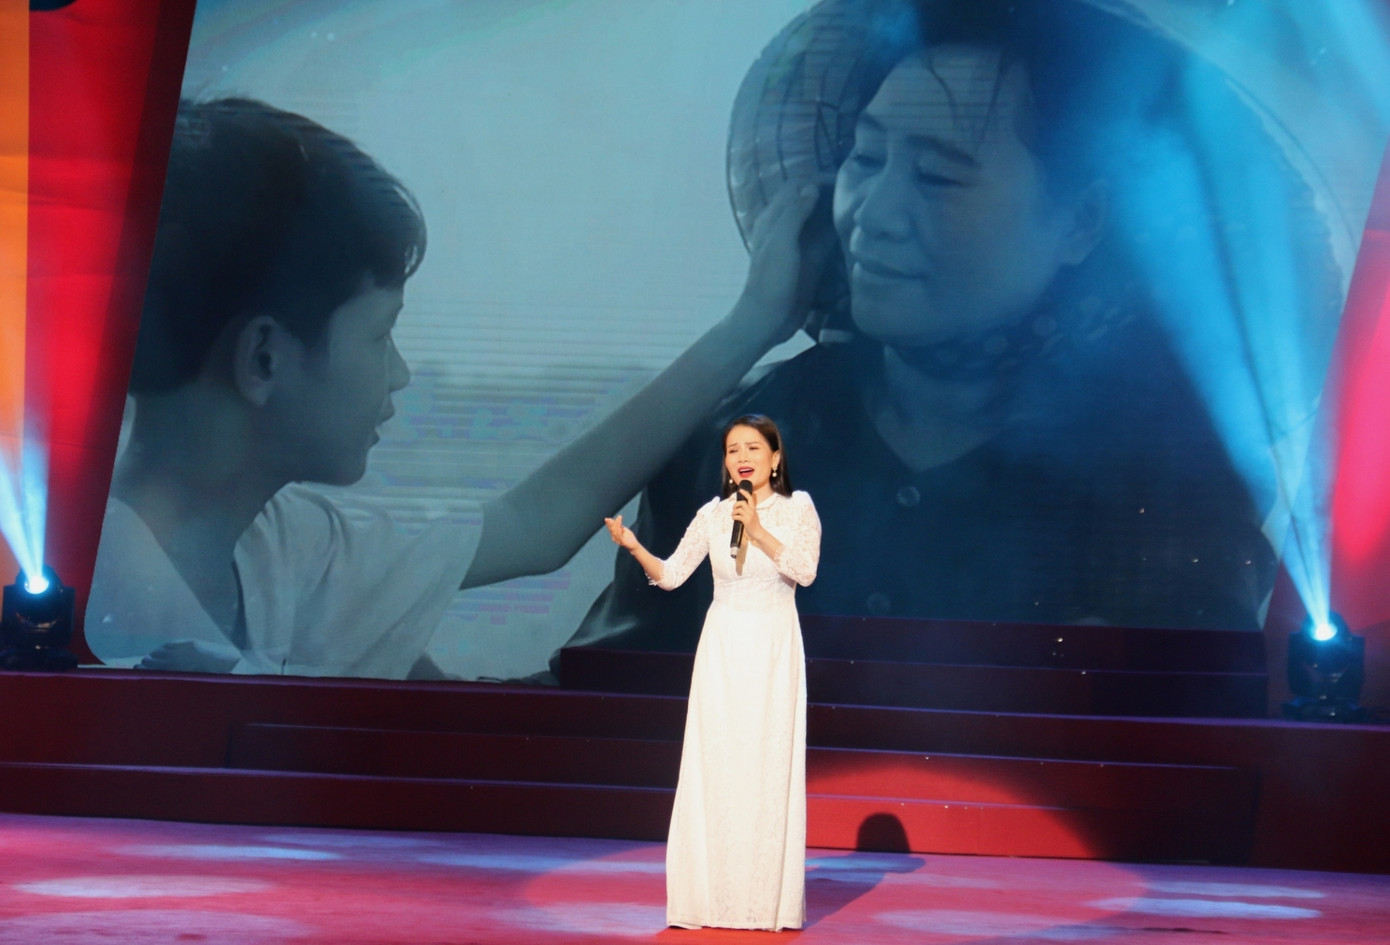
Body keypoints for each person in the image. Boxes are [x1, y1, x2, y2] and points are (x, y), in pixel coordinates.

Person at [567, 0, 1335, 657]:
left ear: (1080, 221)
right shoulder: (741, 444)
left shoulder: (1164, 481)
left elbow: (1188, 741)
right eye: (866, 158)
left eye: (937, 175)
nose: (874, 214)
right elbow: (611, 703)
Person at [86, 97, 821, 678]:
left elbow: (534, 526)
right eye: (380, 335)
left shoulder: (292, 552)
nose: (401, 371)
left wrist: (753, 323)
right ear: (266, 360)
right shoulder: (92, 597)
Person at [604, 414, 819, 931]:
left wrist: (759, 530)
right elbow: (673, 575)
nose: (741, 457)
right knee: (717, 766)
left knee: (765, 767)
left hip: (772, 648)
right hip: (722, 648)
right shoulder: (714, 514)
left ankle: (762, 903)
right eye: (732, 449)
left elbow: (805, 572)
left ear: (775, 458)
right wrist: (633, 546)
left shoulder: (798, 508)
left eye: (752, 448)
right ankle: (708, 899)